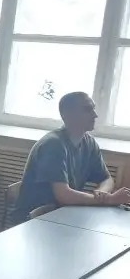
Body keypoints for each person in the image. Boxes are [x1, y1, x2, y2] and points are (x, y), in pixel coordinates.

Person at [12, 91, 130, 223]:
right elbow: (64, 196)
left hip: (62, 214)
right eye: (87, 109)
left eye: (93, 109)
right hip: (33, 220)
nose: (95, 115)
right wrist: (109, 200)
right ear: (67, 115)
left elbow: (106, 179)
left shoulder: (89, 142)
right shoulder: (53, 144)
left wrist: (102, 194)